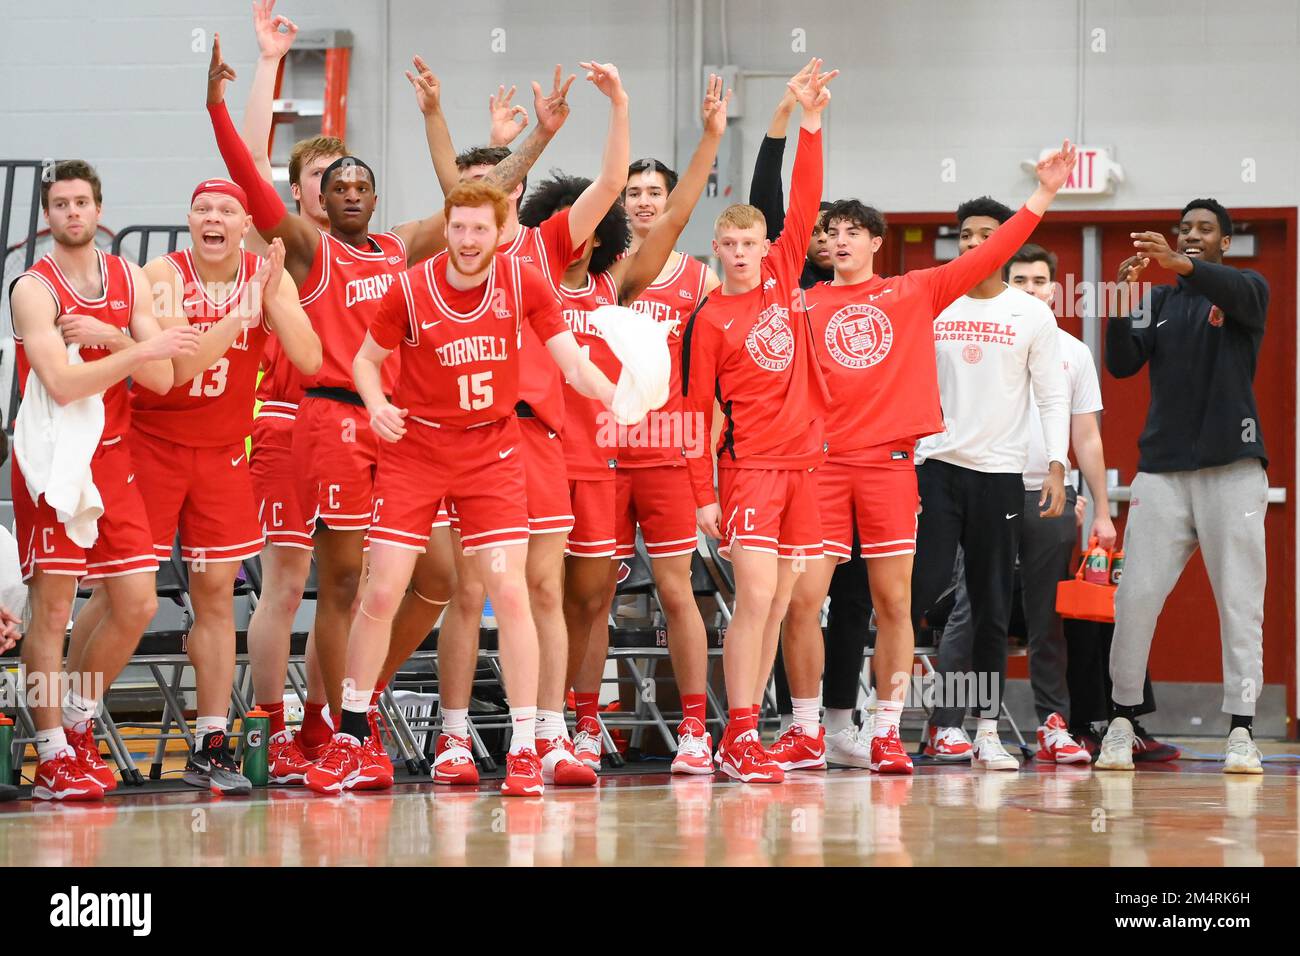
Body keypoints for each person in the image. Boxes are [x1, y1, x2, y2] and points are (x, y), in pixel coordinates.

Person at [206, 37, 558, 771]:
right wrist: (222, 106)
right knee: (335, 581)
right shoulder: (310, 248)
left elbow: (483, 201)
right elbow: (252, 181)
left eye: (363, 182)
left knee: (432, 577)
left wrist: (537, 137)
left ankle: (354, 704)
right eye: (339, 184)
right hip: (334, 416)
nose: (353, 191)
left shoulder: (400, 249)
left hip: (405, 431)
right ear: (320, 199)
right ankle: (321, 725)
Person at [305, 181, 617, 796]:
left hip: (490, 452)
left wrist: (620, 396)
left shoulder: (522, 282)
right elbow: (366, 361)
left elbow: (574, 364)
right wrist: (373, 404)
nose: (468, 240)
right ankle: (350, 736)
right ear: (446, 228)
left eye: (480, 229)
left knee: (511, 588)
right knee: (384, 587)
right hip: (417, 450)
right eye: (458, 227)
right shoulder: (411, 287)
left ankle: (525, 747)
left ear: (501, 234)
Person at [774, 148, 1077, 777]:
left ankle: (887, 732)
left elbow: (990, 256)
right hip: (822, 467)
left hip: (891, 467)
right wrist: (803, 125)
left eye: (853, 231)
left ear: (878, 242)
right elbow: (789, 213)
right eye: (830, 232)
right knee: (803, 602)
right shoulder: (800, 304)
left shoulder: (912, 292)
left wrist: (1042, 196)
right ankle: (807, 730)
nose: (839, 239)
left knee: (895, 602)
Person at [401, 60, 634, 785]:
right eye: (473, 190)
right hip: (468, 438)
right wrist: (439, 116)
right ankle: (454, 734)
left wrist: (618, 105)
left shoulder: (542, 246)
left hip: (541, 438)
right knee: (470, 591)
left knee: (542, 590)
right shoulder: (448, 256)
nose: (488, 195)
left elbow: (610, 186)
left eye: (502, 183)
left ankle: (549, 735)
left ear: (516, 196)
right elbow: (459, 179)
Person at [522, 76, 730, 778]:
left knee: (677, 590)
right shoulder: (530, 276)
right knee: (587, 597)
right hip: (573, 458)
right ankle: (578, 726)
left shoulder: (622, 281)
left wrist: (710, 138)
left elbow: (675, 216)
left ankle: (697, 731)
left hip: (659, 449)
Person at [115, 180, 318, 793]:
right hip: (151, 444)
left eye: (227, 210)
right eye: (202, 208)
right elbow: (175, 373)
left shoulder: (267, 273)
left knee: (214, 595)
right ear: (188, 220)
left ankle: (210, 743)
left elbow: (310, 361)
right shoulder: (162, 274)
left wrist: (276, 300)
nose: (213, 218)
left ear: (244, 224)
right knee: (125, 597)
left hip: (224, 453)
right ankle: (69, 732)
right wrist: (239, 315)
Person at [9, 160, 200, 800]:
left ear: (98, 210)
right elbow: (62, 388)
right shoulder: (32, 288)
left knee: (138, 602)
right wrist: (139, 349)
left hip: (113, 455)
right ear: (47, 215)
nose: (71, 212)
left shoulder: (125, 278)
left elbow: (163, 380)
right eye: (60, 203)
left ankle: (80, 724)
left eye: (81, 202)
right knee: (54, 609)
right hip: (54, 455)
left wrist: (117, 338)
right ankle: (50, 756)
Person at [681, 58, 836, 784]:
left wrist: (808, 119)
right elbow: (691, 412)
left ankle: (751, 729)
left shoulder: (783, 276)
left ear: (766, 248)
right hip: (748, 473)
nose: (742, 254)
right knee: (756, 599)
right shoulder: (706, 320)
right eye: (731, 244)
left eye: (752, 244)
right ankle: (737, 733)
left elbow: (805, 196)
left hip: (808, 469)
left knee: (785, 604)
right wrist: (703, 492)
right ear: (717, 249)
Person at [1096, 198, 1269, 775]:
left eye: (1204, 230)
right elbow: (1120, 363)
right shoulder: (1161, 301)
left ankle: (1241, 731)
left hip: (1234, 471)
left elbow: (1237, 293)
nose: (1192, 236)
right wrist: (1122, 303)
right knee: (1134, 598)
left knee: (1240, 603)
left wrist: (1179, 262)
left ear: (1224, 242)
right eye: (1184, 229)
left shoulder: (1246, 289)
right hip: (1163, 473)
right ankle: (1121, 720)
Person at [911, 180, 1075, 772]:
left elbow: (1053, 396)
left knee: (988, 608)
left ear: (1009, 244)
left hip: (1001, 476)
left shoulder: (1031, 313)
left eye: (987, 235)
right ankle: (882, 726)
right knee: (912, 595)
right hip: (934, 470)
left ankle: (985, 731)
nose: (974, 243)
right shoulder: (933, 299)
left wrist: (1055, 461)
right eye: (966, 235)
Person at [237, 0, 352, 781]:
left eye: (343, 176)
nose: (335, 186)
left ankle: (325, 725)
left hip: (351, 433)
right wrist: (269, 65)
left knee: (345, 585)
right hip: (280, 425)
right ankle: (271, 727)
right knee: (285, 585)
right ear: (301, 188)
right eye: (320, 176)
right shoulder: (280, 241)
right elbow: (246, 165)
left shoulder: (376, 251)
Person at [940, 244, 1111, 764]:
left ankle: (1053, 725)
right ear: (1006, 281)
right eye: (1022, 278)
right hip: (989, 484)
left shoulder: (1074, 352)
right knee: (972, 610)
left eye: (1041, 279)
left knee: (1047, 615)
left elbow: (1088, 436)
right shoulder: (981, 332)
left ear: (1054, 288)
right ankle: (949, 723)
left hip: (1050, 493)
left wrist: (1099, 506)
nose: (1033, 287)